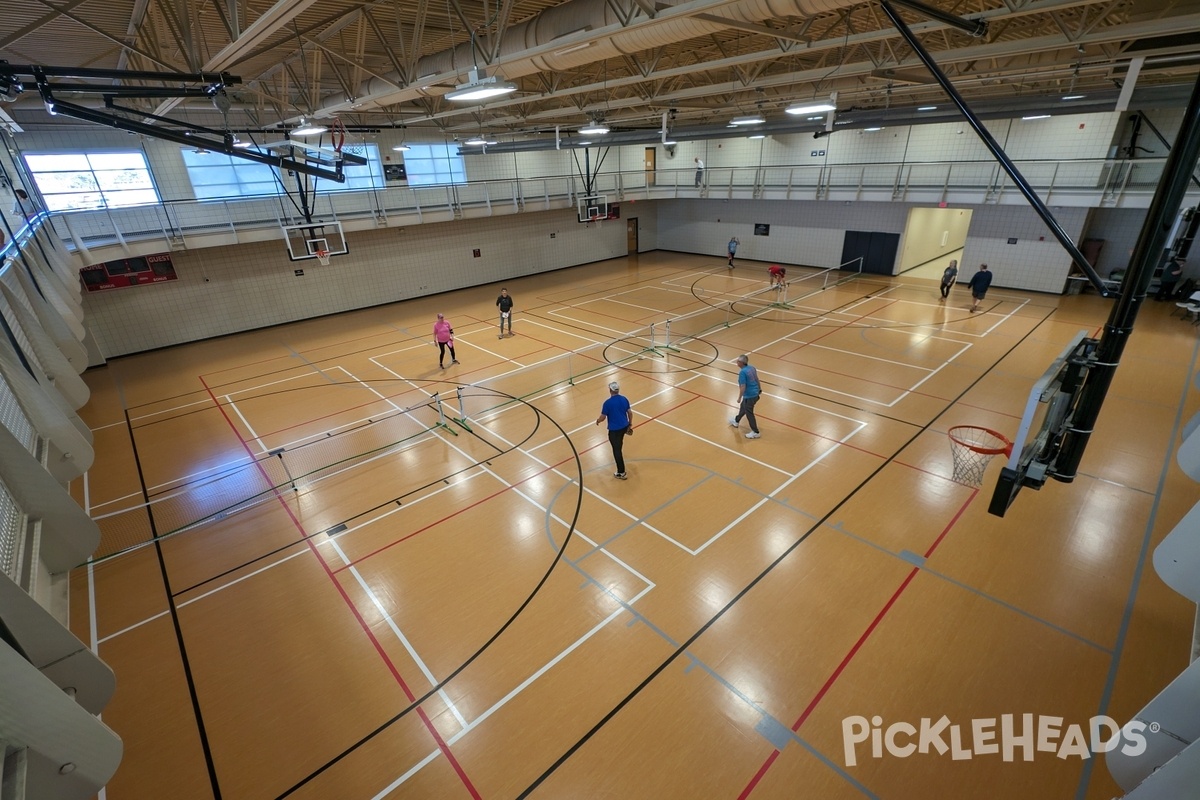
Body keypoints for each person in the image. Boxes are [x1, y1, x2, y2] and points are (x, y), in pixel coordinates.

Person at [596, 381, 633, 479]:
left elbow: (603, 417)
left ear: (610, 390)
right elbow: (630, 413)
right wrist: (630, 423)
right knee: (619, 445)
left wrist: (598, 421)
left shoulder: (607, 403)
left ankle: (621, 472)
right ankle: (621, 469)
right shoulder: (624, 399)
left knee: (616, 450)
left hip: (614, 430)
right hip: (624, 427)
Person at [729, 354, 761, 438]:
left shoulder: (742, 372)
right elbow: (757, 378)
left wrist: (739, 397)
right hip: (755, 393)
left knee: (749, 412)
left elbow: (743, 386)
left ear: (742, 363)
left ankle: (755, 432)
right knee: (743, 407)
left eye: (738, 361)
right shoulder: (752, 368)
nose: (737, 362)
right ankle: (736, 421)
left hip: (750, 395)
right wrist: (759, 389)